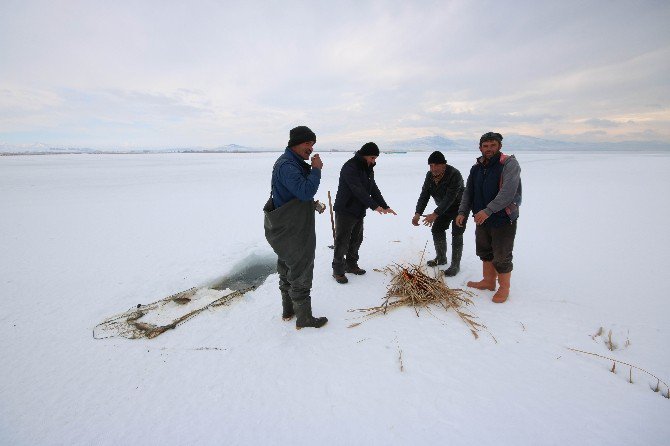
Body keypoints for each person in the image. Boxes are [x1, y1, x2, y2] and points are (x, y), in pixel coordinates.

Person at [263, 125, 327, 329]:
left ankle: (288, 310)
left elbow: (296, 194)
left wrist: (313, 204)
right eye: (307, 143)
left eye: (313, 144)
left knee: (286, 265)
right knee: (300, 268)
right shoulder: (287, 166)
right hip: (292, 229)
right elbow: (304, 191)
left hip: (287, 226)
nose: (311, 148)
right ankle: (304, 318)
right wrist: (316, 169)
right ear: (295, 144)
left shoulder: (293, 163)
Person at [456, 132, 522, 303]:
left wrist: (488, 210)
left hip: (503, 218)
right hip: (482, 218)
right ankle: (488, 281)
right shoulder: (477, 167)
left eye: (493, 145)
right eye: (485, 146)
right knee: (485, 251)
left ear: (499, 146)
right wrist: (462, 211)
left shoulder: (509, 164)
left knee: (502, 255)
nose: (489, 149)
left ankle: (504, 288)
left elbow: (508, 192)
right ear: (480, 148)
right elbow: (468, 192)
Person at [332, 142, 396, 284]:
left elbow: (373, 188)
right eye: (372, 158)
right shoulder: (350, 167)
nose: (374, 161)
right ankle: (338, 271)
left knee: (356, 239)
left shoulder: (368, 168)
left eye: (375, 158)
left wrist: (384, 205)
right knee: (342, 241)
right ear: (364, 155)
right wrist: (374, 206)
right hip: (345, 209)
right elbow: (357, 189)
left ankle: (351, 265)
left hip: (359, 210)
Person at [412, 151, 465, 276]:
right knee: (437, 229)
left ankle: (455, 265)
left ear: (444, 165)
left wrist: (435, 214)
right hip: (443, 208)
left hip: (460, 208)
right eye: (431, 166)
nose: (433, 169)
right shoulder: (429, 176)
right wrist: (418, 213)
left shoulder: (454, 174)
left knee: (456, 232)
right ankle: (441, 258)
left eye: (436, 165)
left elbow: (450, 197)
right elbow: (424, 194)